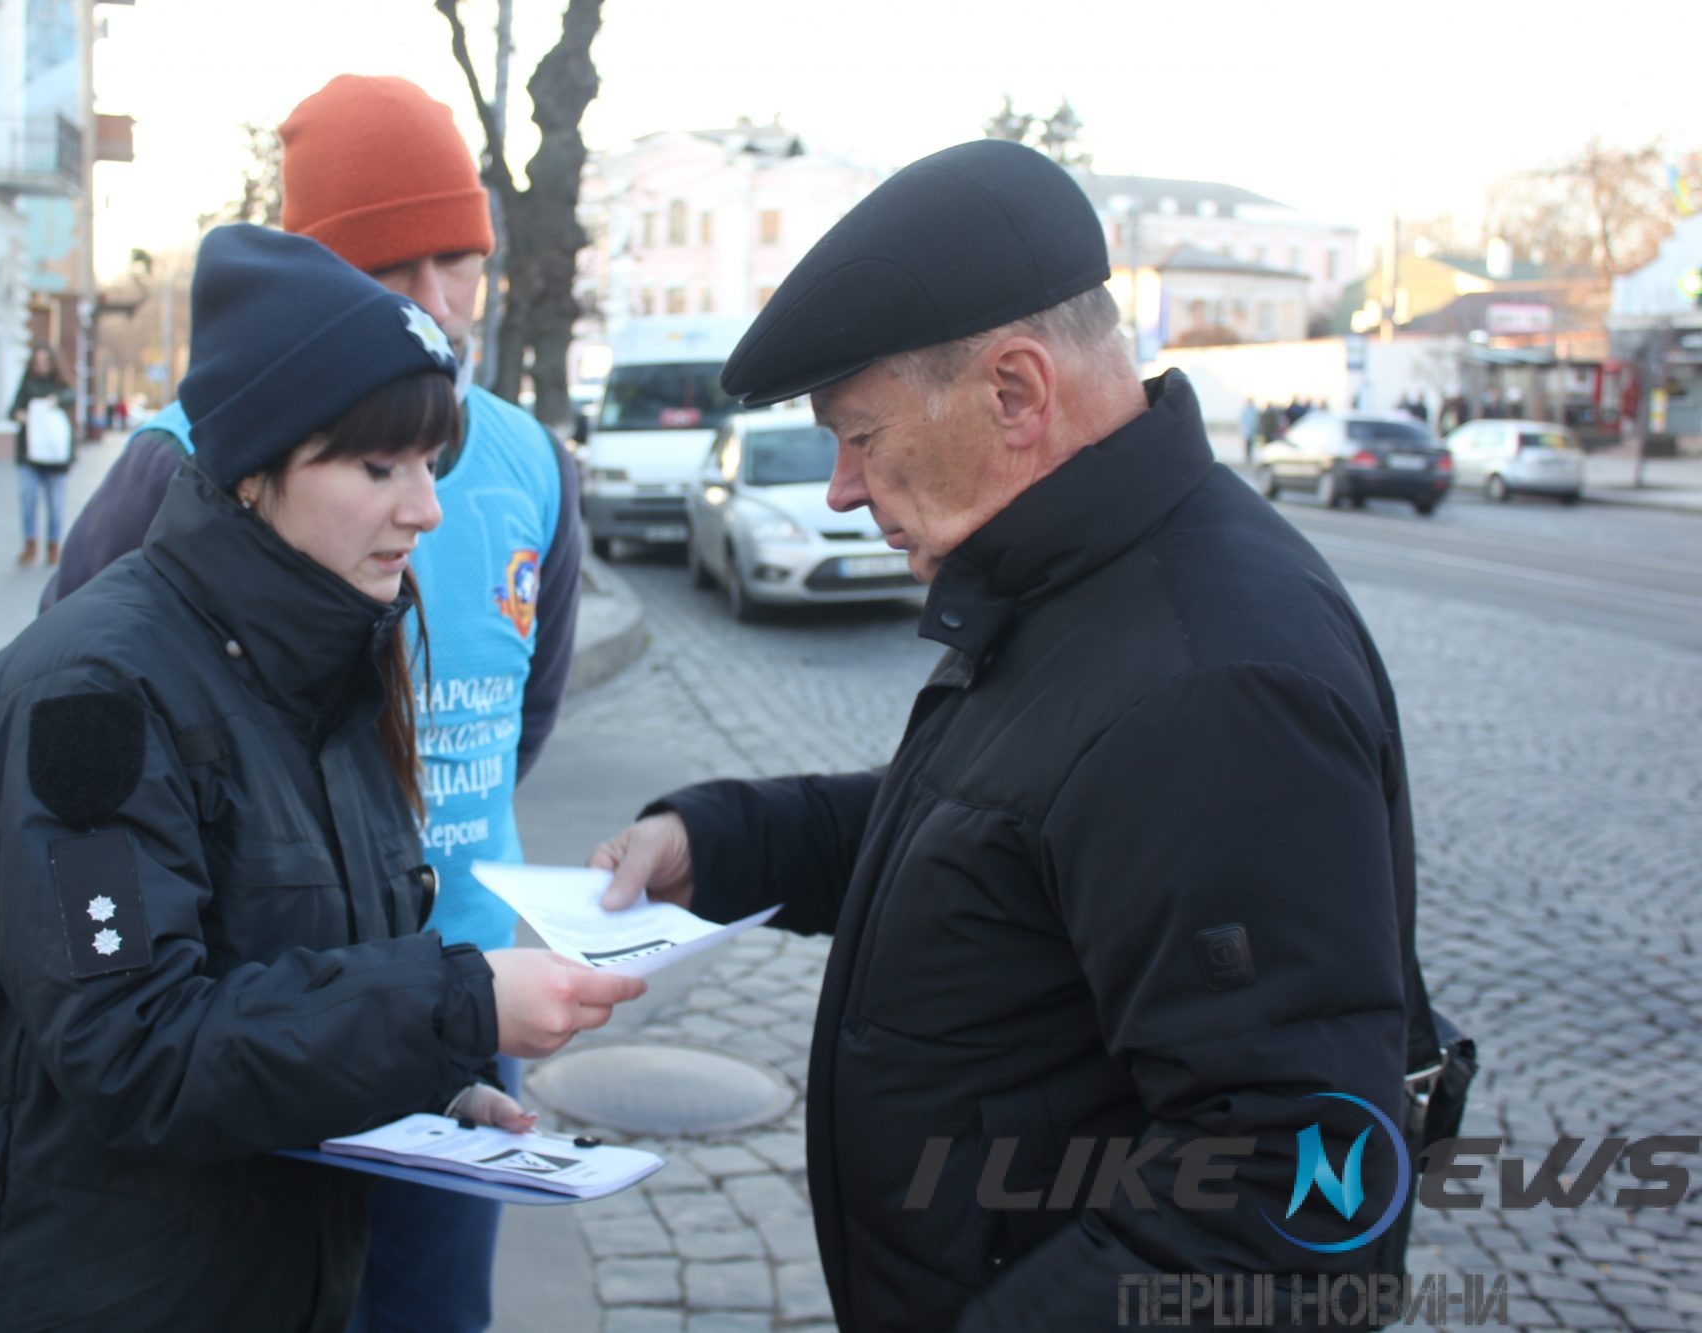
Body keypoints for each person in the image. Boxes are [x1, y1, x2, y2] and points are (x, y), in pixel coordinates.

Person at [593, 140, 1430, 1330]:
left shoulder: (1209, 680)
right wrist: (720, 841)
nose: (837, 487)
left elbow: (1280, 1207)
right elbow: (992, 835)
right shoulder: (1085, 576)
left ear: (1016, 394)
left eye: (861, 435)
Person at [0, 225, 644, 1331]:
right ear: (253, 473)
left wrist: (425, 1091)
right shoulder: (89, 704)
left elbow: (299, 972)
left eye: (431, 464)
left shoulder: (332, 661)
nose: (422, 510)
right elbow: (134, 1046)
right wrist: (451, 1003)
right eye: (378, 467)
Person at [38, 76, 582, 1333]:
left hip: (456, 1000)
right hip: (240, 1016)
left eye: (465, 264)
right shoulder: (180, 465)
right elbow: (83, 759)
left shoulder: (527, 465)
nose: (440, 307)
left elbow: (521, 716)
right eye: (397, 271)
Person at [8, 345, 75, 567]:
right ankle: (30, 544)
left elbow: (71, 395)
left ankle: (53, 545)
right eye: (38, 362)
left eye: (46, 362)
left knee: (56, 503)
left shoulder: (61, 386)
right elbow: (12, 410)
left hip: (56, 458)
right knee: (28, 499)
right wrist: (20, 415)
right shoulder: (27, 384)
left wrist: (56, 401)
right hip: (29, 454)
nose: (41, 366)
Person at [1239, 395, 1259, 461]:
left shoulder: (1254, 410)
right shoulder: (1246, 410)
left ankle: (1250, 457)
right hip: (1247, 431)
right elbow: (1243, 421)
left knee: (1251, 445)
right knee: (1247, 445)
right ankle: (1247, 457)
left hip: (1252, 430)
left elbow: (1256, 421)